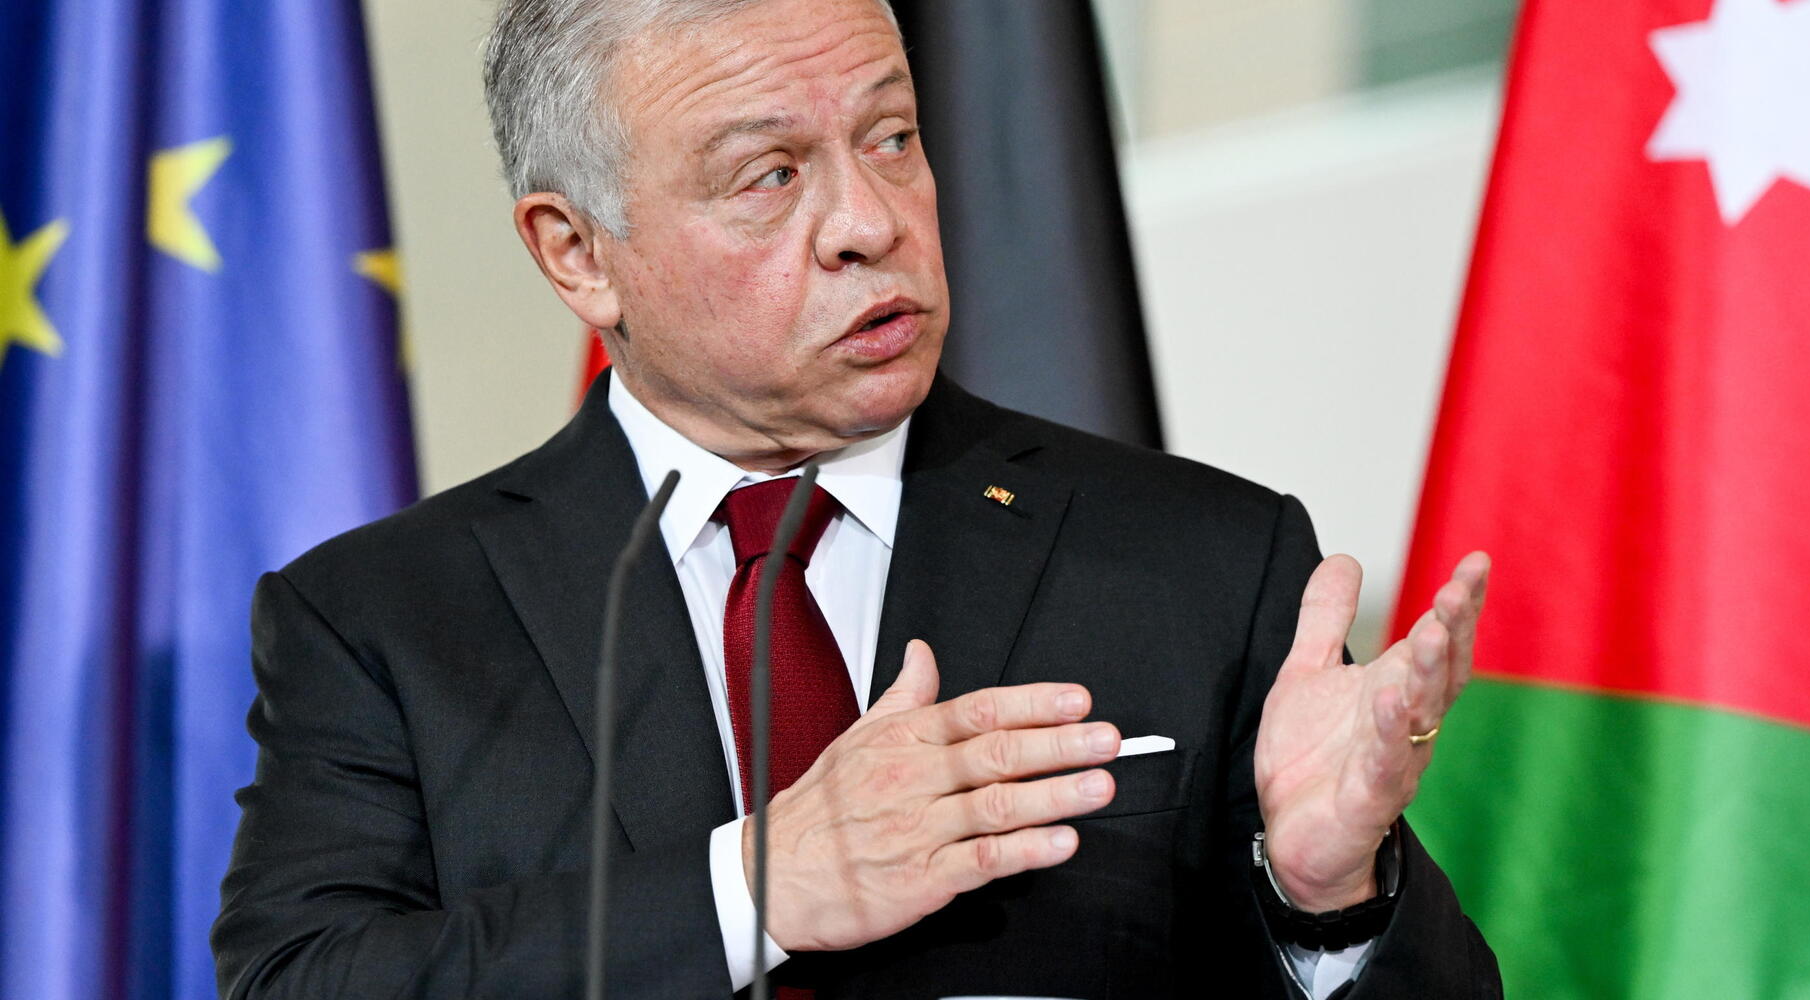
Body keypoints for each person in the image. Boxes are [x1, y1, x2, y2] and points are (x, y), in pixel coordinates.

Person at [211, 0, 1502, 996]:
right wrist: (758, 888)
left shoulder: (1202, 561)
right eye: (769, 174)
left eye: (891, 138)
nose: (869, 223)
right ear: (578, 253)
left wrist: (1329, 898)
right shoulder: (386, 622)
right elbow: (301, 982)